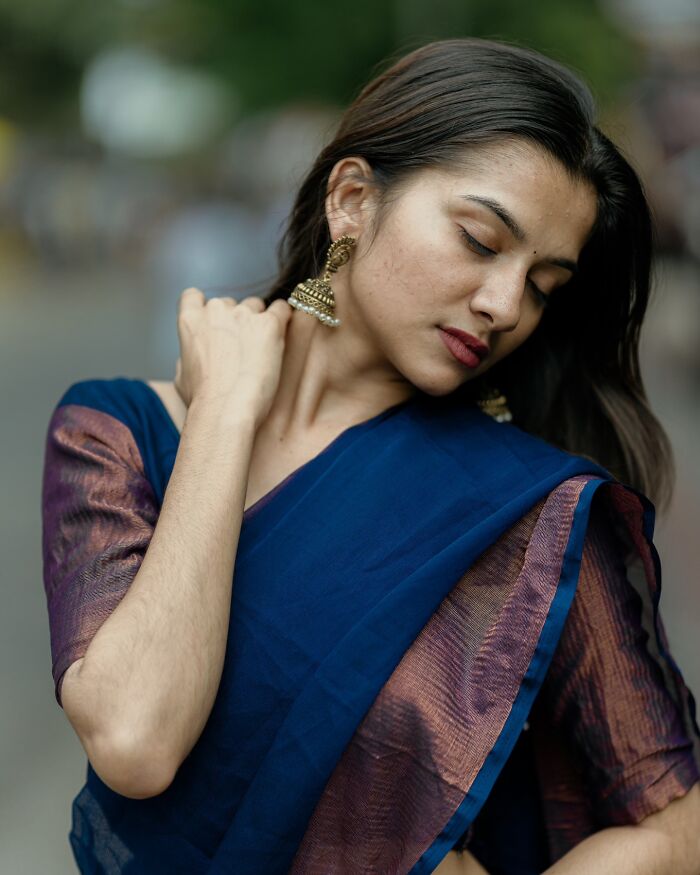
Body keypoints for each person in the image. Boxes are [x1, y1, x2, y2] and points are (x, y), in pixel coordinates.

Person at [41, 37, 700, 875]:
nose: (504, 304)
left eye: (543, 286)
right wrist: (226, 417)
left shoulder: (526, 511)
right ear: (352, 199)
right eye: (479, 239)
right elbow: (135, 739)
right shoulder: (118, 431)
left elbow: (679, 824)